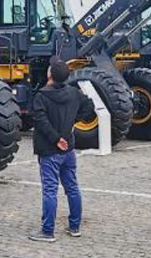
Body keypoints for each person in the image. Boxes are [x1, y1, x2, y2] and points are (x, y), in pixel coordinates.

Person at [29, 57, 93, 243]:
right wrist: (73, 120)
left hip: (50, 150)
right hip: (68, 150)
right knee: (72, 187)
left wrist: (56, 139)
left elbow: (41, 122)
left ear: (50, 74)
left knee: (50, 190)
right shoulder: (73, 93)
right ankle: (75, 227)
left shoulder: (41, 96)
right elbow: (89, 106)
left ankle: (47, 231)